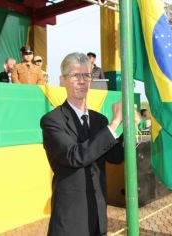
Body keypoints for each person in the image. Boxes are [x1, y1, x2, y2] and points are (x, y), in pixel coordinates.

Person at [40, 52, 138, 236]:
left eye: (86, 75)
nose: (82, 80)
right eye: (75, 75)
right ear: (62, 80)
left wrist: (130, 128)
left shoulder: (99, 120)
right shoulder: (52, 120)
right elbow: (75, 156)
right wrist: (115, 124)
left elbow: (116, 157)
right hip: (70, 218)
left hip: (98, 213)